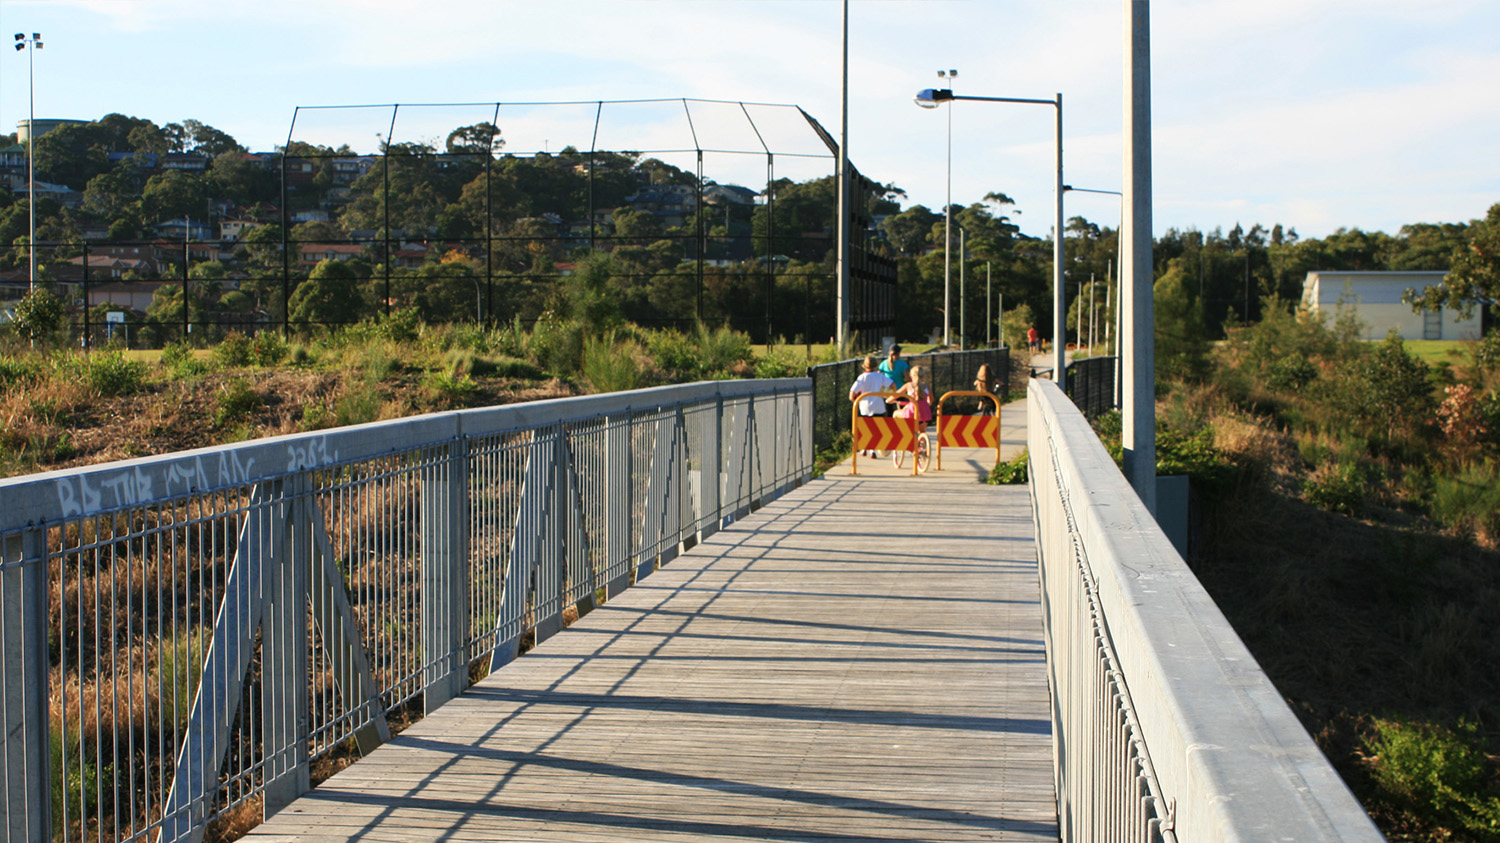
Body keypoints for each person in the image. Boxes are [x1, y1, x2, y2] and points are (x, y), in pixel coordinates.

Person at [849, 355, 895, 456]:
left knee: (866, 428)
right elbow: (892, 384)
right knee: (876, 429)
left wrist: (854, 401)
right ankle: (873, 450)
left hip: (865, 406)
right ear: (876, 366)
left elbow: (852, 392)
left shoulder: (862, 377)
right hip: (878, 405)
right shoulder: (880, 376)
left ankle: (864, 449)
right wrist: (891, 394)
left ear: (864, 366)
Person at [891, 364, 934, 434]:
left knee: (895, 413)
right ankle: (923, 442)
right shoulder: (927, 386)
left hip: (911, 413)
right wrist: (928, 402)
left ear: (911, 376)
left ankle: (899, 432)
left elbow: (895, 395)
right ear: (923, 376)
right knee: (922, 432)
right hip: (925, 414)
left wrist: (889, 400)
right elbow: (931, 399)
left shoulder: (909, 385)